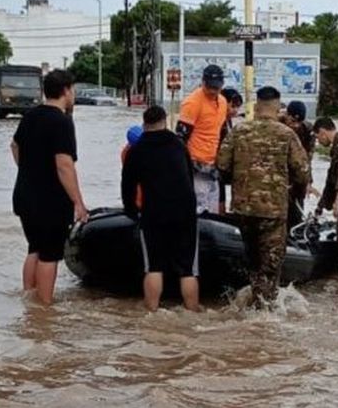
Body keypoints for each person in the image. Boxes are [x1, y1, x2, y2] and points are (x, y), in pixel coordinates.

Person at [217, 86, 309, 308]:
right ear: (278, 107)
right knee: (271, 266)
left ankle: (251, 306)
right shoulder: (287, 134)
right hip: (274, 211)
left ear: (256, 106)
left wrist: (239, 182)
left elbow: (221, 165)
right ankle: (264, 317)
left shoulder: (239, 131)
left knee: (253, 261)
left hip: (243, 209)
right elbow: (302, 172)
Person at [11, 69, 89, 306]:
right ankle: (44, 308)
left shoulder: (30, 116)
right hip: (50, 200)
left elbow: (14, 146)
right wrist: (78, 202)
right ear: (66, 91)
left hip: (24, 195)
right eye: (72, 89)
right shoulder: (62, 122)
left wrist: (28, 169)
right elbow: (64, 165)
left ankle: (29, 300)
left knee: (34, 248)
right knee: (49, 254)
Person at [121, 105, 201, 312]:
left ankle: (152, 313)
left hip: (154, 212)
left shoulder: (136, 150)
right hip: (185, 212)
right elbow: (189, 179)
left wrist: (131, 211)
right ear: (165, 121)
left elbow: (127, 186)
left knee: (154, 266)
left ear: (144, 123)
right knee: (187, 269)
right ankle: (192, 312)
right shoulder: (179, 145)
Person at [176, 64, 228, 214]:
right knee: (198, 209)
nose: (213, 91)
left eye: (216, 88)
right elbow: (180, 138)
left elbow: (222, 132)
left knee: (213, 209)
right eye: (210, 87)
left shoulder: (223, 102)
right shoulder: (192, 103)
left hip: (212, 165)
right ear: (203, 82)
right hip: (195, 164)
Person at [281, 101, 316, 228]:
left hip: (297, 173)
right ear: (287, 115)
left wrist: (308, 181)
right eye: (292, 121)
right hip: (279, 173)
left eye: (298, 122)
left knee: (296, 210)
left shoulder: (307, 130)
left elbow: (307, 158)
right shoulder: (277, 124)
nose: (295, 125)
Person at [312, 116, 338, 217]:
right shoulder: (337, 148)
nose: (318, 141)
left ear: (322, 132)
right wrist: (321, 205)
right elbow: (331, 179)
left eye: (317, 137)